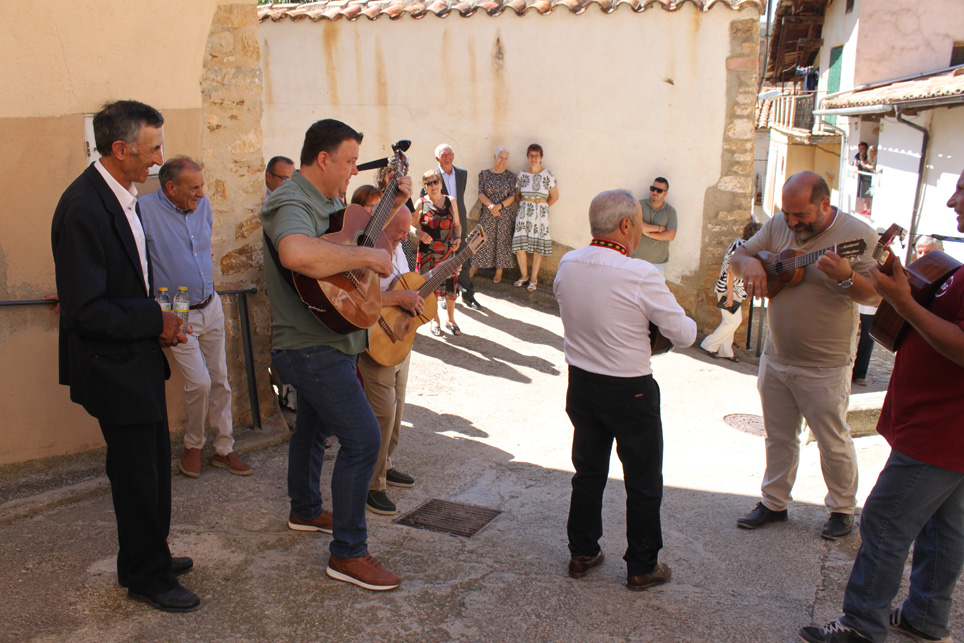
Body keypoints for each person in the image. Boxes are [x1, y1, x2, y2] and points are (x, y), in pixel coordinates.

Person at [797, 170, 964, 643]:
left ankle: (861, 625)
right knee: (945, 526)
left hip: (942, 430)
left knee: (885, 521)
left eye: (962, 190)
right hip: (938, 427)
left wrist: (902, 301)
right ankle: (925, 617)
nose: (951, 201)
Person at [50, 100, 199, 612]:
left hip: (135, 359)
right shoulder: (84, 207)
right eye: (152, 149)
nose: (159, 159)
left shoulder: (121, 196)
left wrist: (158, 323)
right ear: (120, 149)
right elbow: (85, 311)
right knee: (138, 477)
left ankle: (144, 556)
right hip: (112, 368)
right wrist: (155, 319)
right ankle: (148, 578)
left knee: (151, 469)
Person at [261, 118, 411, 591]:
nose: (353, 171)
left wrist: (393, 206)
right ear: (323, 159)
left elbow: (349, 242)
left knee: (312, 428)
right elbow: (295, 253)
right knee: (364, 440)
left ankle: (305, 510)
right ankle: (348, 553)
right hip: (310, 348)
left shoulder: (328, 202)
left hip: (334, 339)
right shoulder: (291, 200)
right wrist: (368, 259)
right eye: (349, 161)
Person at [554, 189, 696, 591]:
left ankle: (582, 552)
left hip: (582, 382)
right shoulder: (640, 274)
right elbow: (685, 334)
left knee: (588, 472)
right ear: (626, 225)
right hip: (630, 390)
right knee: (643, 481)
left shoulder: (568, 262)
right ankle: (642, 565)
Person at [731, 171, 880, 540]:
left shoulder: (859, 235)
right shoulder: (779, 225)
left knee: (832, 440)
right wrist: (750, 263)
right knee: (778, 436)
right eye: (787, 214)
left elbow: (876, 295)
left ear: (824, 204)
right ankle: (774, 502)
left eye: (801, 215)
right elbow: (740, 255)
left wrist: (847, 277)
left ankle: (842, 508)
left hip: (824, 363)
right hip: (776, 355)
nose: (792, 223)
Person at [139, 157, 252, 478]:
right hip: (175, 313)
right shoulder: (143, 210)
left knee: (220, 379)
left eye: (202, 186)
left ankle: (224, 448)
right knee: (199, 382)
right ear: (170, 187)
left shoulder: (202, 205)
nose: (202, 193)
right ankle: (193, 445)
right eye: (194, 187)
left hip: (210, 305)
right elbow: (123, 256)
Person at [358, 206, 424, 516]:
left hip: (398, 336)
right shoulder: (367, 249)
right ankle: (372, 485)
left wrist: (440, 271)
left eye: (406, 232)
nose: (403, 238)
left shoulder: (398, 249)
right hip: (376, 340)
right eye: (398, 232)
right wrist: (399, 299)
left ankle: (385, 464)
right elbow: (360, 297)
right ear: (383, 225)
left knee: (397, 408)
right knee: (382, 413)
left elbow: (408, 286)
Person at [427, 143, 480, 310]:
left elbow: (459, 196)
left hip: (459, 222)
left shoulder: (462, 173)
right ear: (437, 158)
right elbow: (426, 198)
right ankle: (445, 294)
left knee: (463, 256)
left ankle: (468, 295)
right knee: (444, 260)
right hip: (441, 224)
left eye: (450, 153)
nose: (448, 157)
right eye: (444, 155)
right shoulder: (432, 176)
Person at [700, 220, 762, 362]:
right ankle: (709, 344)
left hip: (733, 290)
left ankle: (726, 352)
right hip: (728, 290)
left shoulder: (741, 245)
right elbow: (730, 272)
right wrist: (730, 295)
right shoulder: (741, 248)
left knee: (728, 321)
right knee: (733, 321)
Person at [414, 170, 462, 336]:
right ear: (424, 186)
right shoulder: (421, 203)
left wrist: (458, 238)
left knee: (450, 285)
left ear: (441, 183)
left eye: (435, 182)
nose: (433, 185)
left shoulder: (451, 201)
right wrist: (419, 233)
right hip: (428, 252)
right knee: (431, 286)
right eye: (429, 183)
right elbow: (409, 225)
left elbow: (457, 225)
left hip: (448, 250)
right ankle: (435, 319)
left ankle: (451, 319)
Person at [513, 143, 559, 292]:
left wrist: (542, 207)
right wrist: (526, 206)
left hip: (540, 216)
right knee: (520, 245)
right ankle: (524, 275)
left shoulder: (548, 175)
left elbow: (555, 196)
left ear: (541, 157)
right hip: (524, 214)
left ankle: (534, 279)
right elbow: (517, 195)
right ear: (527, 157)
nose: (533, 158)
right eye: (531, 155)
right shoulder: (522, 174)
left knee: (538, 247)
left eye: (536, 156)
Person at [471, 146, 517, 284]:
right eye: (500, 157)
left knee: (502, 241)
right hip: (488, 212)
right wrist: (491, 206)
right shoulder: (484, 174)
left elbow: (512, 196)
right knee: (481, 239)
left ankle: (499, 270)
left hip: (504, 213)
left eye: (506, 158)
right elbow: (481, 193)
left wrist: (499, 206)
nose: (503, 160)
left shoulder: (511, 176)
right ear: (495, 157)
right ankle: (474, 266)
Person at [630, 177, 677, 275]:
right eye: (653, 189)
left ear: (665, 193)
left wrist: (648, 233)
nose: (655, 192)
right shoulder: (639, 205)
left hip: (658, 263)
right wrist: (659, 228)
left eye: (659, 190)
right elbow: (637, 225)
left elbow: (670, 236)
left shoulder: (670, 211)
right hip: (635, 260)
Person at [854, 142, 873, 215]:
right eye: (860, 148)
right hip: (862, 176)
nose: (861, 150)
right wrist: (856, 168)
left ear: (866, 149)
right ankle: (865, 208)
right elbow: (855, 164)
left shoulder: (868, 156)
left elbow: (865, 165)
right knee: (862, 192)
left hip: (868, 176)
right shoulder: (857, 155)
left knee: (868, 192)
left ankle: (869, 208)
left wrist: (862, 157)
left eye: (862, 149)